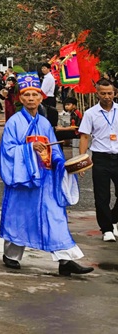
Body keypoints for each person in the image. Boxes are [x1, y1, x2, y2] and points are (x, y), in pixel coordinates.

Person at [0, 72, 92, 276]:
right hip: (23, 179)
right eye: (27, 95)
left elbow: (55, 150)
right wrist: (29, 149)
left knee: (54, 216)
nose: (31, 99)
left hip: (46, 179)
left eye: (35, 94)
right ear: (20, 98)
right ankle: (11, 255)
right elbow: (7, 151)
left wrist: (61, 165)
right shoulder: (13, 123)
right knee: (20, 217)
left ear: (41, 97)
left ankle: (65, 259)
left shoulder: (44, 123)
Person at [78, 78, 118, 242]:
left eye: (110, 93)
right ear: (97, 93)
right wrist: (82, 159)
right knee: (102, 196)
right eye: (103, 93)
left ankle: (113, 218)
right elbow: (84, 136)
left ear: (115, 93)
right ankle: (107, 229)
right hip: (100, 158)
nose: (107, 96)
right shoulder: (90, 113)